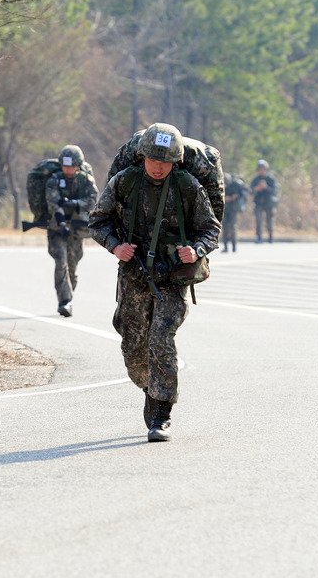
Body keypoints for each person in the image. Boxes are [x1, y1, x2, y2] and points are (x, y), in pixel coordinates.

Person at [89, 123, 220, 442]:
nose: (159, 167)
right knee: (133, 345)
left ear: (175, 161)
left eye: (166, 162)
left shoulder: (188, 186)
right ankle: (152, 389)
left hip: (172, 276)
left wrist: (196, 250)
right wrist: (116, 246)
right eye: (153, 160)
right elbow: (98, 221)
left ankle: (162, 413)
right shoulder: (125, 182)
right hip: (135, 274)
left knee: (161, 338)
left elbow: (211, 229)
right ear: (143, 157)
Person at [45, 145, 99, 317]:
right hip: (57, 228)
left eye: (72, 165)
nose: (68, 169)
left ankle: (68, 297)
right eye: (65, 165)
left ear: (78, 165)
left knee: (73, 267)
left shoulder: (85, 180)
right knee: (61, 261)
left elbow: (93, 199)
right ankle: (65, 301)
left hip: (77, 229)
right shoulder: (54, 180)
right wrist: (61, 222)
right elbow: (53, 203)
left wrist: (76, 204)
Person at [251, 159, 280, 243]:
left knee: (269, 221)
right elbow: (250, 190)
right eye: (260, 169)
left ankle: (270, 237)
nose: (261, 171)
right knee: (259, 220)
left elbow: (275, 191)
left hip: (269, 203)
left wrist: (266, 187)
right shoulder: (256, 179)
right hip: (259, 202)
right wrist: (257, 188)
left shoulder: (271, 179)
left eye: (263, 169)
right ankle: (259, 237)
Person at [221, 173, 248, 252]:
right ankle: (225, 246)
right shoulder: (218, 183)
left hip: (233, 209)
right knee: (225, 227)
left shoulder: (237, 184)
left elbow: (246, 191)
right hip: (224, 209)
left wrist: (235, 196)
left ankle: (234, 246)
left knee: (233, 226)